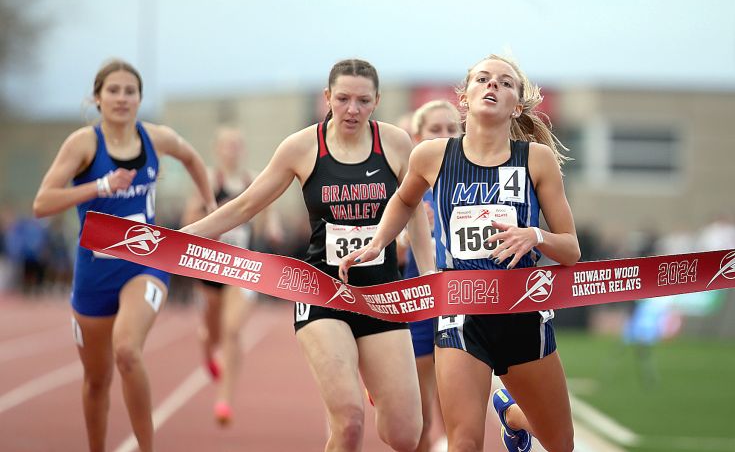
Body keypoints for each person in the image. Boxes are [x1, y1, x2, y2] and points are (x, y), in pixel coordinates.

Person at [181, 58, 436, 452]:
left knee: (405, 435)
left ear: (377, 101)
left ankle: (371, 376)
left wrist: (429, 273)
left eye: (363, 101)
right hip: (323, 294)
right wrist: (183, 237)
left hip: (383, 296)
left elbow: (415, 212)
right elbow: (246, 205)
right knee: (349, 421)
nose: (352, 109)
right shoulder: (302, 147)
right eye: (343, 98)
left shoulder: (396, 144)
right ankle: (353, 386)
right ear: (326, 97)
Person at [340, 55, 581, 452]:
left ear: (517, 105)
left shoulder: (535, 160)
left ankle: (513, 415)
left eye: (505, 83)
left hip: (523, 315)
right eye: (483, 79)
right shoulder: (433, 156)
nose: (492, 86)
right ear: (465, 97)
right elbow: (403, 201)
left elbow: (571, 249)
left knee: (560, 444)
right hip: (461, 314)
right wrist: (377, 242)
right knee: (464, 442)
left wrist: (534, 235)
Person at [32, 59, 217, 452]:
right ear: (97, 98)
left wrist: (211, 208)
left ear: (140, 98)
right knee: (96, 380)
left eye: (129, 91)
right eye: (112, 90)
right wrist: (99, 185)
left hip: (146, 261)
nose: (121, 98)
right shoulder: (83, 144)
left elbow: (192, 159)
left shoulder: (156, 138)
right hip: (95, 270)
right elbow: (42, 202)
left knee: (128, 351)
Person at [181, 126, 261, 425]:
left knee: (232, 330)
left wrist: (273, 228)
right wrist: (215, 217)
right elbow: (187, 221)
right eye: (227, 145)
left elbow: (265, 215)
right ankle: (205, 345)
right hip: (210, 265)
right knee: (213, 331)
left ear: (243, 149)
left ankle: (224, 399)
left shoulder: (252, 181)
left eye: (237, 144)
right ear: (218, 149)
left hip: (242, 267)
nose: (232, 150)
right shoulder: (209, 181)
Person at [403, 100, 460, 452]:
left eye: (451, 129)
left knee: (458, 412)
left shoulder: (472, 183)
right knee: (420, 417)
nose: (444, 136)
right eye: (435, 130)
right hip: (420, 308)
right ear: (417, 136)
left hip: (461, 305)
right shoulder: (409, 187)